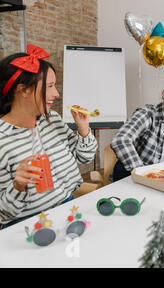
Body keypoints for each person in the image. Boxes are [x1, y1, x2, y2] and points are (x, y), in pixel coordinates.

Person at [0, 45, 98, 229]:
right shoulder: (2, 140)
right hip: (28, 224)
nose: (56, 94)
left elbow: (84, 157)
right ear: (23, 90)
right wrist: (17, 187)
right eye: (50, 86)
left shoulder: (51, 119)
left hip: (68, 207)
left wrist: (84, 130)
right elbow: (4, 214)